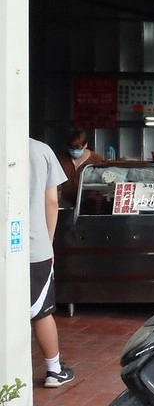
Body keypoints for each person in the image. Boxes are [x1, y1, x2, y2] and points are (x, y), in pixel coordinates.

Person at [29, 138, 75, 388]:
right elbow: (52, 201)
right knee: (41, 312)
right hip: (34, 248)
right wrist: (48, 242)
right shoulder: (41, 150)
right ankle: (54, 370)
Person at [57, 129, 104, 207]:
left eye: (78, 149)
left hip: (90, 203)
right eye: (72, 149)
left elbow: (103, 184)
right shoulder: (62, 159)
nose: (74, 151)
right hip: (66, 202)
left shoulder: (96, 159)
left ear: (86, 145)